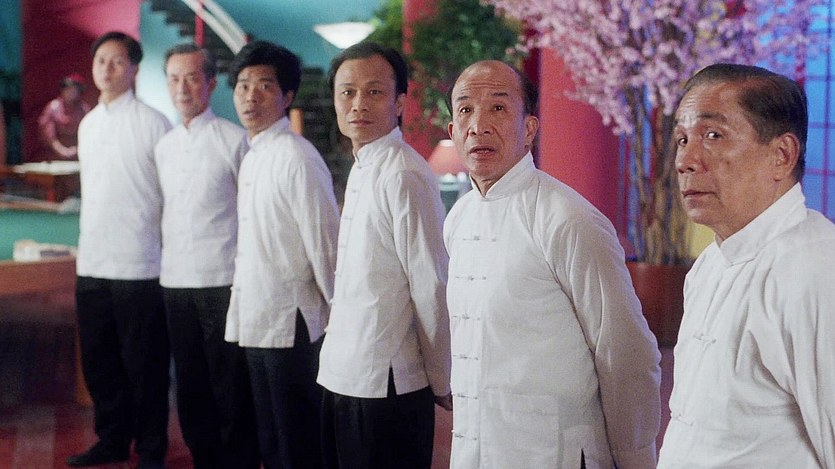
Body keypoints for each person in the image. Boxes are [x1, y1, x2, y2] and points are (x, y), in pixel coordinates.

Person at [443, 60, 661, 469]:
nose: (479, 125)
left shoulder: (567, 217)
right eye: (466, 109)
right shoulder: (457, 219)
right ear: (453, 130)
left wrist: (635, 458)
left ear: (529, 129)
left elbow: (624, 350)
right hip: (475, 447)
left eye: (498, 108)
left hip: (553, 451)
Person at [657, 63, 835, 467]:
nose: (686, 160)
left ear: (781, 156)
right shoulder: (708, 265)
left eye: (713, 135)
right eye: (682, 139)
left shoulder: (816, 270)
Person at [317, 42, 452, 469]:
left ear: (399, 103)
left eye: (374, 91)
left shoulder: (405, 173)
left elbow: (431, 284)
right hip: (343, 372)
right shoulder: (363, 165)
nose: (358, 103)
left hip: (386, 381)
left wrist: (443, 377)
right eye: (347, 92)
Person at [223, 40, 340, 469]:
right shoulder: (253, 155)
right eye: (243, 85)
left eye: (265, 86)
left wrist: (338, 319)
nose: (250, 96)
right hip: (256, 317)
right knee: (270, 438)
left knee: (296, 441)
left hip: (291, 322)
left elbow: (325, 245)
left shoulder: (297, 157)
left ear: (287, 96)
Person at [68, 32, 172, 469]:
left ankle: (150, 449)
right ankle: (111, 441)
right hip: (93, 261)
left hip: (140, 264)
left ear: (134, 69)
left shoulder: (155, 123)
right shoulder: (88, 124)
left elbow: (171, 196)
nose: (106, 70)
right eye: (100, 61)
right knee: (99, 362)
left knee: (145, 365)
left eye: (116, 62)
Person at [154, 43, 259, 469]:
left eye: (192, 78)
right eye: (174, 79)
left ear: (212, 84)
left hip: (223, 282)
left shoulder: (235, 141)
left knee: (230, 383)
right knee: (190, 385)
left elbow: (251, 216)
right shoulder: (163, 146)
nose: (182, 88)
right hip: (175, 281)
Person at [36, 73, 91, 161]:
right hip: (54, 156)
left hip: (79, 155)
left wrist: (78, 149)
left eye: (74, 89)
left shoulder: (84, 109)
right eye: (67, 89)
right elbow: (48, 136)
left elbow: (90, 134)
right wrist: (62, 151)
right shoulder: (53, 108)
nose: (70, 92)